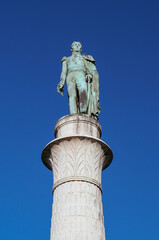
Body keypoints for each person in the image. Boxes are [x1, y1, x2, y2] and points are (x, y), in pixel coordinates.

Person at [57, 41, 101, 119]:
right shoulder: (66, 59)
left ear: (80, 48)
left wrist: (89, 75)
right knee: (72, 95)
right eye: (75, 45)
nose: (77, 46)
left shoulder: (84, 58)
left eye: (78, 45)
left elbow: (89, 69)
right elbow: (64, 72)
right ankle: (73, 114)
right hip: (70, 76)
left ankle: (83, 111)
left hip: (81, 74)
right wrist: (61, 82)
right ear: (71, 48)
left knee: (83, 91)